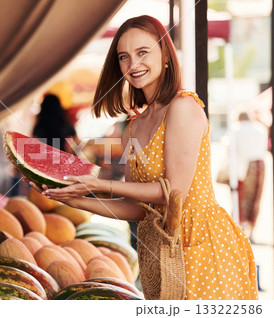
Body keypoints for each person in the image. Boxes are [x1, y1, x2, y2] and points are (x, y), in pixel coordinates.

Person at [30, 15, 258, 300]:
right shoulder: (134, 126)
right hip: (159, 252)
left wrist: (100, 184)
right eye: (124, 57)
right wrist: (75, 199)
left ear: (165, 55)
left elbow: (174, 193)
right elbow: (139, 208)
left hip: (203, 244)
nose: (133, 64)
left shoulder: (183, 107)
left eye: (143, 52)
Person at [233, 112, 268, 240]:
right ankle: (252, 228)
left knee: (242, 196)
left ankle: (241, 226)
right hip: (260, 164)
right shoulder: (260, 128)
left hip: (244, 165)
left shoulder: (236, 129)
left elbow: (232, 150)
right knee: (256, 197)